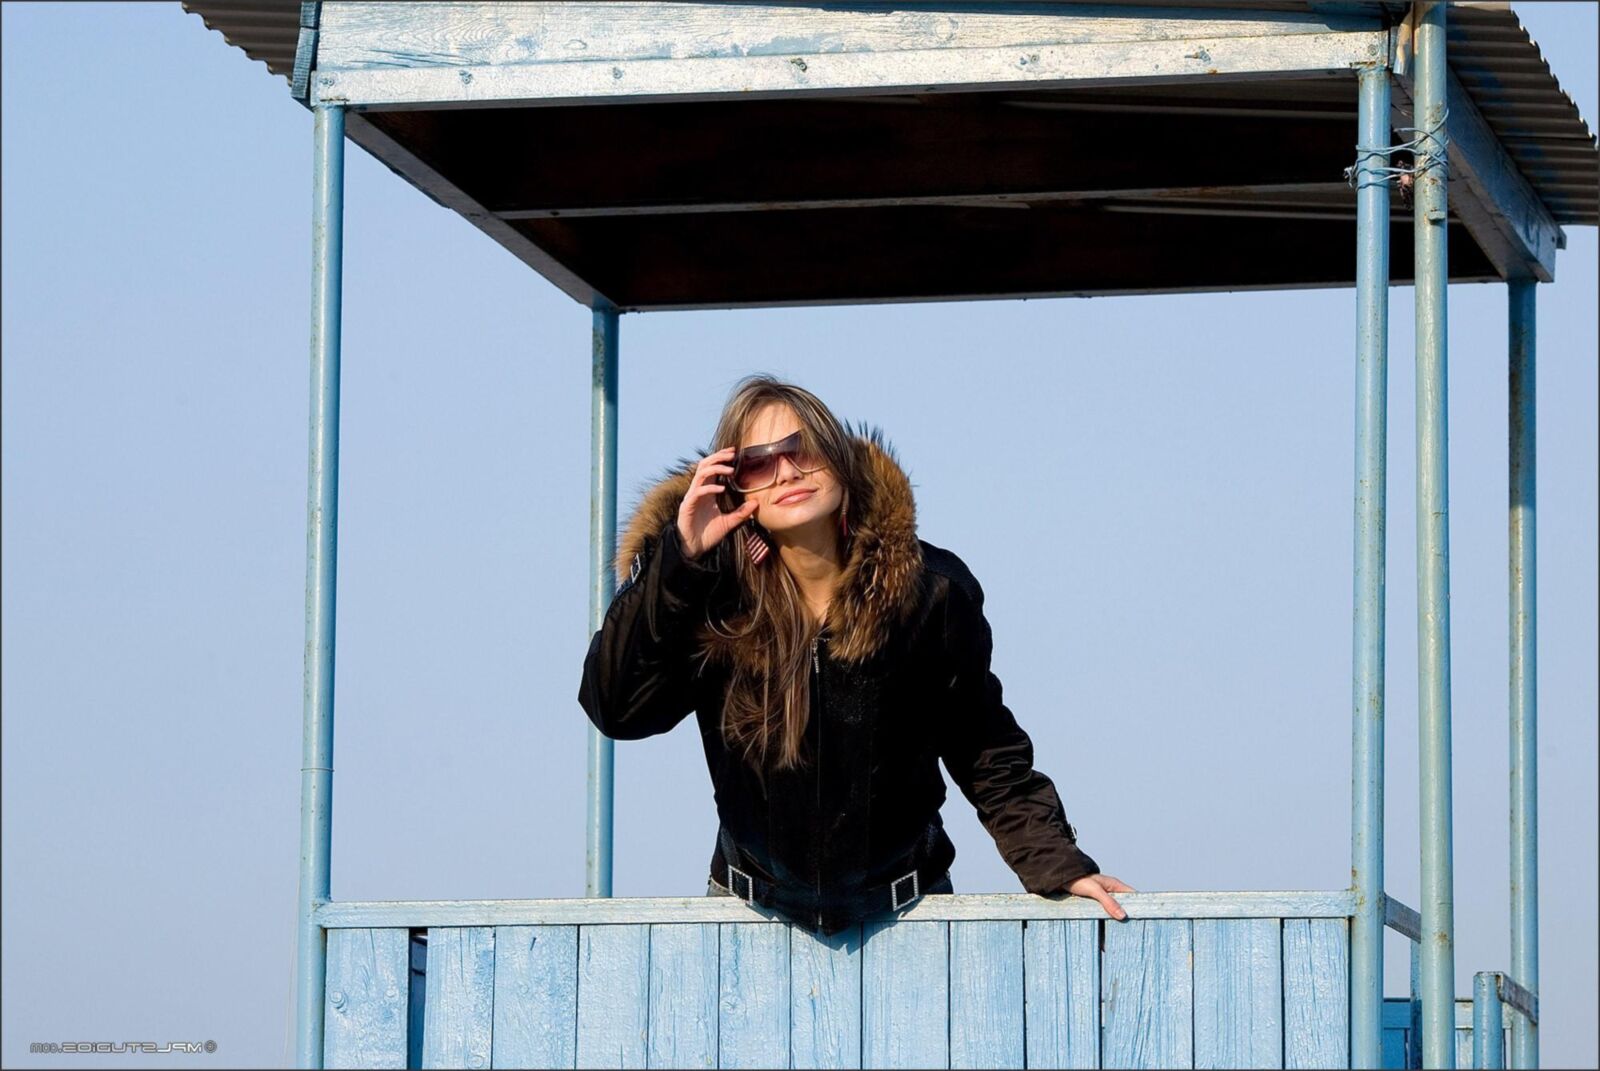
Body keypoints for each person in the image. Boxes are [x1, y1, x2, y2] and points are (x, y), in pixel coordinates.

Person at [578, 374, 1132, 937]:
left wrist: (1057, 865)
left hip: (909, 916)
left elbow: (982, 743)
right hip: (745, 918)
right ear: (733, 488)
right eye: (757, 463)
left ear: (839, 460)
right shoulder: (713, 600)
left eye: (803, 450)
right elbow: (617, 708)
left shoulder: (928, 592)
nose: (787, 472)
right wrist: (680, 561)